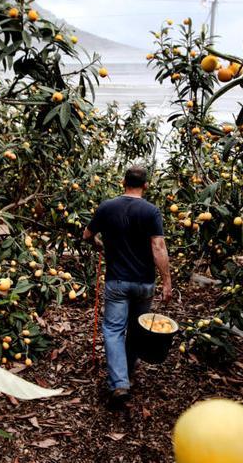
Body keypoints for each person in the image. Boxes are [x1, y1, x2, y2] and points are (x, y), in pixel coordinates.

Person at [83, 165, 173, 407]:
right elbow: (158, 248)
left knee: (113, 330)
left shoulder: (107, 207)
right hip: (144, 282)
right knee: (136, 328)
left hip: (117, 282)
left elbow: (86, 235)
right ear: (145, 185)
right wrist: (167, 282)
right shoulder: (151, 211)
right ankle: (126, 372)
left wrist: (99, 242)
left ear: (123, 182)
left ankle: (120, 383)